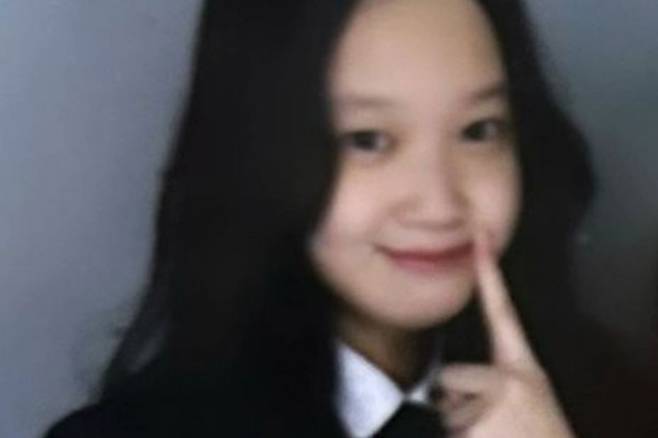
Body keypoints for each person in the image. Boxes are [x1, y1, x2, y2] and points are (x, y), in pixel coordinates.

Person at [46, 0, 609, 436]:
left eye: (479, 131)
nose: (439, 204)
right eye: (367, 140)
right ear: (258, 154)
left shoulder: (604, 398)